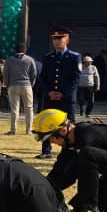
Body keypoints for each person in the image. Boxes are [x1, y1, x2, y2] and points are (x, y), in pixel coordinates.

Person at [36, 27, 81, 160]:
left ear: (67, 39)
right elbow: (42, 77)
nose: (56, 41)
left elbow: (76, 78)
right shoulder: (48, 57)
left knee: (69, 124)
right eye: (54, 39)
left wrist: (63, 93)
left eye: (60, 38)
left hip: (66, 98)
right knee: (46, 123)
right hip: (50, 97)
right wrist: (49, 91)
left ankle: (69, 151)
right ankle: (46, 151)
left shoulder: (74, 57)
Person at [4, 43, 36, 135]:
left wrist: (7, 85)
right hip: (26, 85)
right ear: (24, 50)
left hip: (13, 85)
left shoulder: (9, 60)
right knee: (29, 108)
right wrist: (31, 84)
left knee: (14, 109)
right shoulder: (30, 60)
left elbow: (6, 74)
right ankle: (28, 130)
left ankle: (13, 130)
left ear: (15, 50)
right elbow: (34, 74)